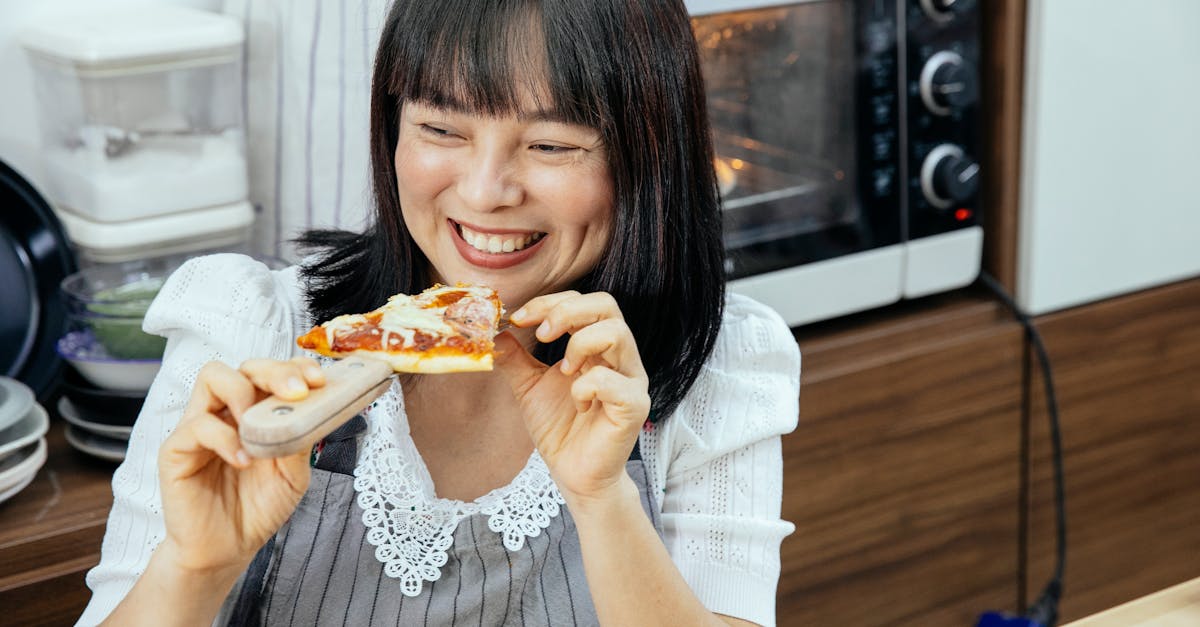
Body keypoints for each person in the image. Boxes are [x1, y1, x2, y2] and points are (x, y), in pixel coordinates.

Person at [77, 1, 800, 625]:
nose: (486, 192)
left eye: (551, 144)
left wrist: (603, 495)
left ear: (651, 155)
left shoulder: (716, 369)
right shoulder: (251, 333)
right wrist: (193, 565)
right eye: (442, 131)